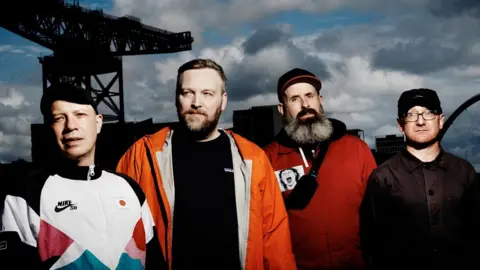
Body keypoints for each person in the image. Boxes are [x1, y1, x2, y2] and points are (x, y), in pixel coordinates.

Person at [116, 59, 296, 270]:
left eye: (207, 94)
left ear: (223, 100)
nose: (196, 103)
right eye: (187, 93)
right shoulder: (141, 156)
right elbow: (119, 236)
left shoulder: (252, 158)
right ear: (177, 97)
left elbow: (275, 239)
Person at [0, 82, 165, 269]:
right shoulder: (25, 195)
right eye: (59, 118)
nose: (71, 126)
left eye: (80, 115)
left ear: (98, 123)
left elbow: (154, 261)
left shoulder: (130, 188)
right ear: (49, 128)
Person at [263, 68, 377, 269]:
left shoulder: (356, 149)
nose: (305, 105)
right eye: (295, 99)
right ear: (282, 109)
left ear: (320, 99)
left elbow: (378, 213)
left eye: (310, 96)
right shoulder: (268, 158)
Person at [360, 88, 480, 269]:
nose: (421, 121)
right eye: (411, 114)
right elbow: (370, 241)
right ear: (400, 124)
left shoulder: (464, 172)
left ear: (441, 121)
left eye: (428, 113)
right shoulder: (382, 177)